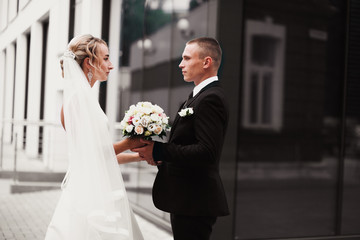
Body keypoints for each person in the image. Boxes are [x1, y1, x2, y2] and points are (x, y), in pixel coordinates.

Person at [45, 34, 144, 240]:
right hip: (90, 195)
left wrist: (139, 156)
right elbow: (95, 154)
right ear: (90, 62)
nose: (111, 65)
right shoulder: (78, 101)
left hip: (97, 187)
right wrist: (128, 143)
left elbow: (99, 157)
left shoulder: (86, 98)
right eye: (106, 58)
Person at [132, 37, 230, 240]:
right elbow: (186, 145)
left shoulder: (211, 99)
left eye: (186, 58)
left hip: (196, 201)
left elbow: (206, 152)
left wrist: (159, 150)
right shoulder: (197, 96)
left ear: (206, 62)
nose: (180, 64)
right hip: (187, 199)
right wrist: (159, 157)